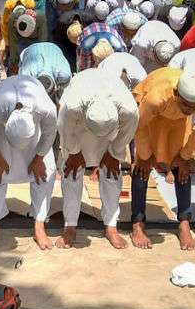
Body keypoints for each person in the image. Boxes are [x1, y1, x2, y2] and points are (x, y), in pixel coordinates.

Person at [130, 65, 195, 250]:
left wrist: (184, 155)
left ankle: (184, 223)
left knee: (181, 166)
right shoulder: (157, 97)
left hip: (177, 121)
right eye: (186, 105)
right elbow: (138, 126)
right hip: (149, 117)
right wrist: (145, 156)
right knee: (142, 166)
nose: (189, 110)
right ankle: (137, 224)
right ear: (177, 93)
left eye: (194, 107)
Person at [56, 67, 139, 250]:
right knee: (71, 170)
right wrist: (75, 152)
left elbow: (128, 132)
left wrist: (114, 153)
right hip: (77, 127)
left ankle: (111, 226)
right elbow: (64, 127)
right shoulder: (72, 105)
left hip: (111, 133)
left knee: (111, 172)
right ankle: (70, 225)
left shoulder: (129, 109)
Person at [0, 73, 58, 250]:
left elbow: (49, 134)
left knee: (44, 174)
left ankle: (39, 225)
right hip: (2, 136)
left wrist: (38, 159)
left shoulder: (46, 108)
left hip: (35, 138)